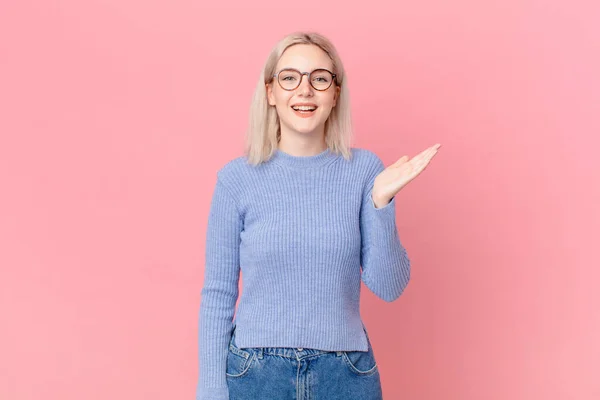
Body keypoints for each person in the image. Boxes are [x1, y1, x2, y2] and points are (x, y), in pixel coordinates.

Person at [196, 31, 441, 400]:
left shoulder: (364, 171)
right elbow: (217, 294)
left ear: (335, 93)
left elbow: (389, 287)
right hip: (255, 375)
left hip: (344, 374)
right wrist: (211, 389)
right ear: (270, 93)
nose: (304, 91)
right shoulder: (236, 179)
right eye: (290, 78)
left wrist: (381, 203)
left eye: (320, 79)